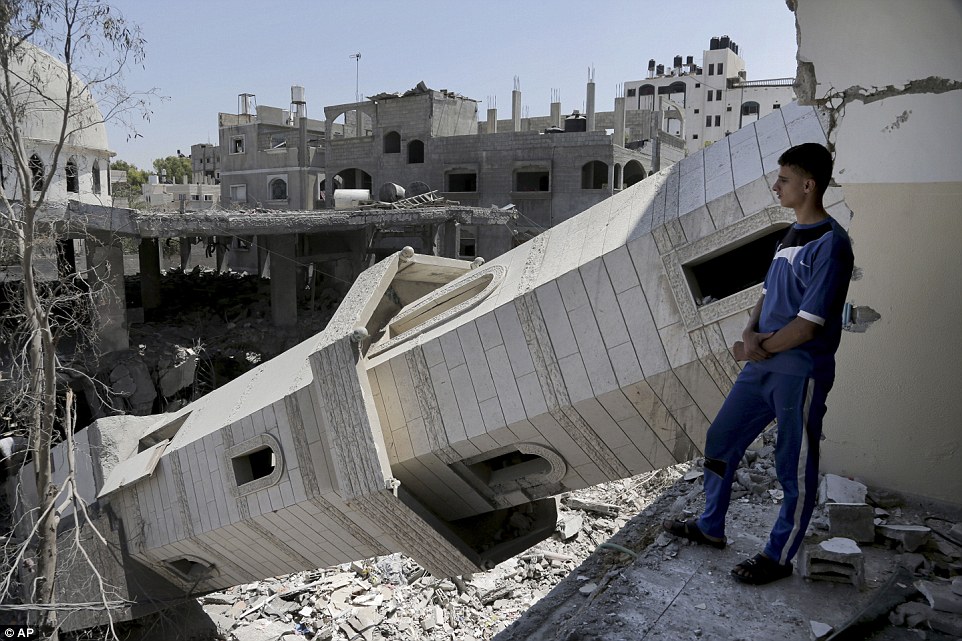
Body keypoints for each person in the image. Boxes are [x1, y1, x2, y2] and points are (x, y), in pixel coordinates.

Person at [663, 142, 854, 585]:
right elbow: (766, 295)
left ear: (808, 185)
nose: (776, 186)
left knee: (794, 466)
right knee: (720, 439)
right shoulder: (789, 235)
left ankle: (778, 556)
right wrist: (750, 334)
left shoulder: (832, 244)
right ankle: (710, 527)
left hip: (799, 372)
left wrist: (755, 348)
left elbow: (808, 325)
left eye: (784, 180)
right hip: (761, 366)